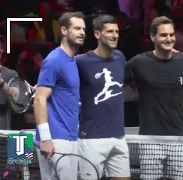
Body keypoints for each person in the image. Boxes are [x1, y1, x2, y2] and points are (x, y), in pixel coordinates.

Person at [125, 16, 183, 180]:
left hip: (178, 138)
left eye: (171, 34)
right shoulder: (138, 62)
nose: (169, 39)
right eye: (163, 35)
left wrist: (178, 102)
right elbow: (115, 85)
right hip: (149, 140)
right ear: (153, 37)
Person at [76, 15, 130, 180]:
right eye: (110, 32)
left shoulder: (120, 57)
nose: (115, 35)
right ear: (98, 34)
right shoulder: (82, 62)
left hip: (119, 137)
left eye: (116, 31)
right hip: (91, 140)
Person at [33, 11, 85, 180]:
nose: (82, 32)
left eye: (83, 29)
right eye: (77, 28)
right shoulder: (54, 60)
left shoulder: (72, 61)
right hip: (55, 140)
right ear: (63, 30)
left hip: (70, 137)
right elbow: (39, 99)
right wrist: (46, 139)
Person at [0, 36, 26, 178]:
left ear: (2, 54)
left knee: (8, 175)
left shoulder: (10, 74)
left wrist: (1, 83)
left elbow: (18, 99)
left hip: (5, 136)